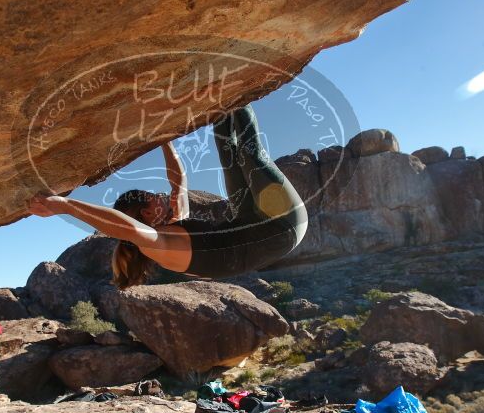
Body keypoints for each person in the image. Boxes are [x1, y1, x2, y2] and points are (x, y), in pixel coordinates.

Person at [29, 104, 308, 288]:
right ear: (145, 215)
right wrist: (66, 206)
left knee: (228, 155)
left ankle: (227, 98)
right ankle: (248, 85)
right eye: (153, 198)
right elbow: (126, 229)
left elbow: (179, 182)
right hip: (282, 226)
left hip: (248, 219)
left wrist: (163, 139)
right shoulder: (157, 245)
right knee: (250, 154)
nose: (161, 197)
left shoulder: (173, 226)